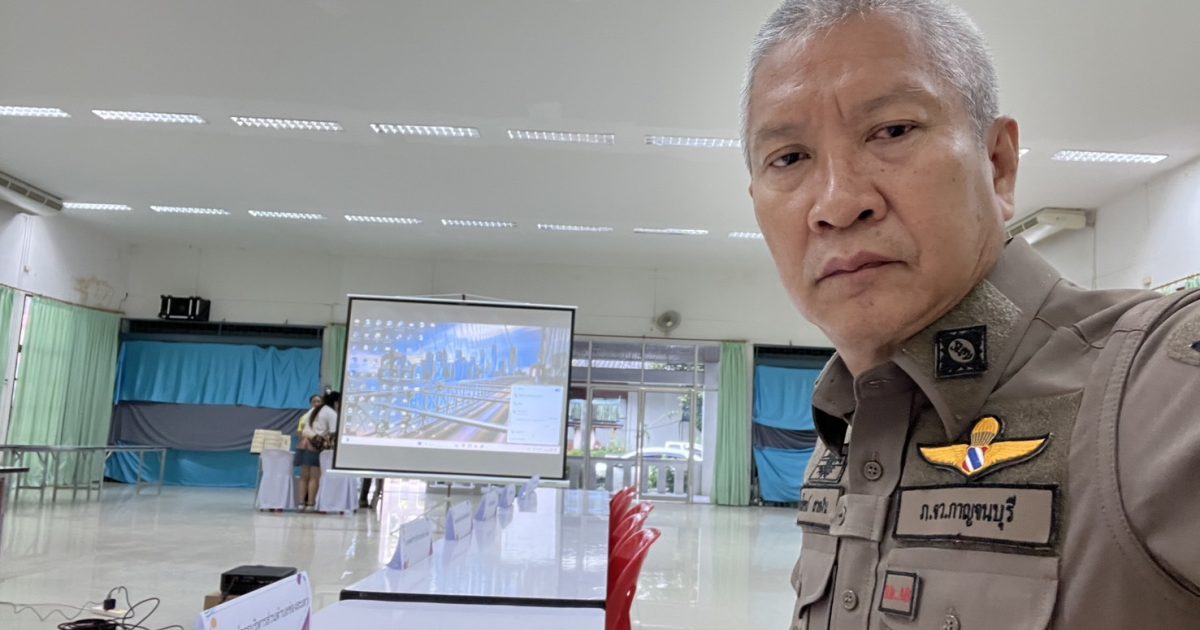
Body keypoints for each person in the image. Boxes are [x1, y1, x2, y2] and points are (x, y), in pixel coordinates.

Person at [741, 1, 1200, 628]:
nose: (838, 204)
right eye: (789, 158)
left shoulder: (1154, 393)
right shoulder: (842, 434)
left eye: (892, 130)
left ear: (998, 163)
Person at [299, 391, 340, 511]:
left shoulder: (314, 410)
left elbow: (304, 428)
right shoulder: (331, 413)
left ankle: (301, 503)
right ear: (336, 402)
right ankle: (311, 504)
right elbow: (333, 434)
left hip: (305, 445)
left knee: (304, 476)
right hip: (317, 447)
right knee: (314, 477)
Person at [293, 394, 324, 510]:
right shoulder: (306, 417)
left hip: (310, 448)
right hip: (310, 448)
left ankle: (308, 503)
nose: (316, 403)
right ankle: (304, 503)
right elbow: (300, 433)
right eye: (314, 401)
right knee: (307, 476)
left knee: (311, 476)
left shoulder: (320, 416)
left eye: (318, 401)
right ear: (311, 403)